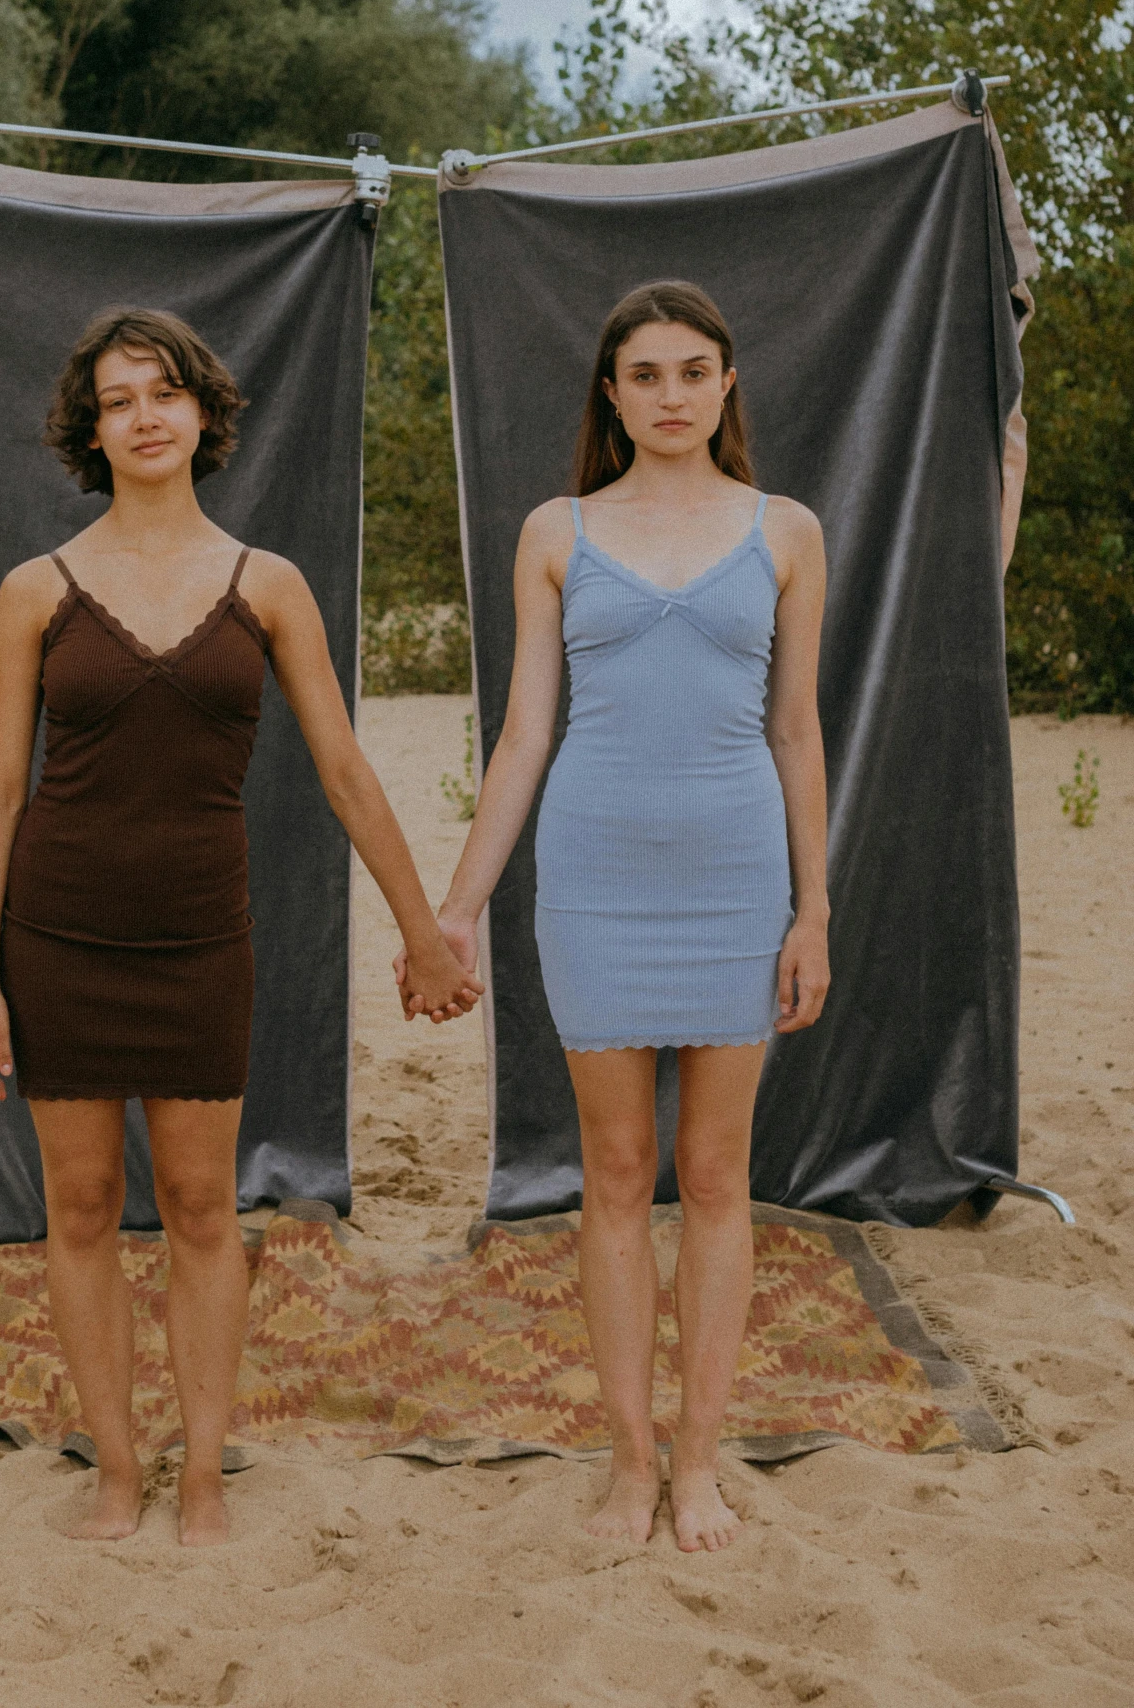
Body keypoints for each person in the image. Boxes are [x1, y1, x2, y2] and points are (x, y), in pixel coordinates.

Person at [0, 306, 481, 1547]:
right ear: (90, 431)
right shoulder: (35, 589)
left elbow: (346, 769)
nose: (142, 415)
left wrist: (423, 933)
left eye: (162, 392)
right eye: (116, 400)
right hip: (59, 937)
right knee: (79, 1208)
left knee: (202, 1209)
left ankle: (201, 1472)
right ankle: (117, 1469)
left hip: (203, 939)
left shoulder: (270, 586)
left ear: (202, 411)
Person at [411, 279, 829, 1553]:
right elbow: (527, 731)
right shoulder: (555, 530)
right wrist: (456, 909)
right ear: (611, 392)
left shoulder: (786, 531)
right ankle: (627, 1459)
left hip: (737, 877)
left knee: (713, 1173)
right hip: (592, 878)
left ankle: (697, 1463)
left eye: (693, 371)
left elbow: (796, 730)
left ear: (726, 384)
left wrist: (814, 909)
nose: (670, 395)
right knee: (612, 1175)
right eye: (644, 374)